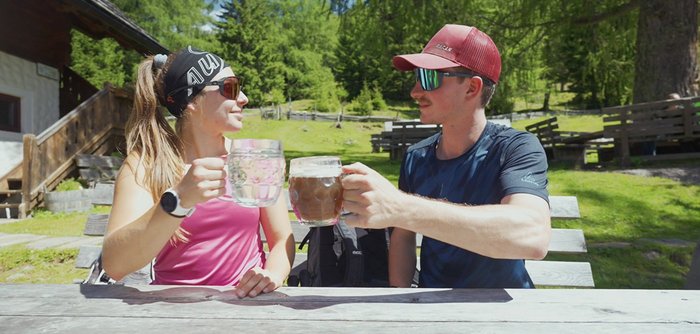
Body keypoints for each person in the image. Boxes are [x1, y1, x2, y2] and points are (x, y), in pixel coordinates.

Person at [341, 24, 551, 288]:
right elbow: (403, 238)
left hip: (504, 313)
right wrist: (400, 305)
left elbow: (531, 237)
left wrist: (401, 207)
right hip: (433, 309)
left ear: (472, 88)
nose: (415, 91)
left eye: (430, 77)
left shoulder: (516, 148)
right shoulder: (416, 157)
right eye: (418, 76)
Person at [101, 46, 294, 298]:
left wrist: (273, 275)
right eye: (230, 88)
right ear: (192, 100)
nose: (244, 98)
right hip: (173, 309)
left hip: (247, 305)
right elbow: (115, 264)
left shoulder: (252, 157)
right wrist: (178, 200)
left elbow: (281, 239)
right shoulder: (147, 166)